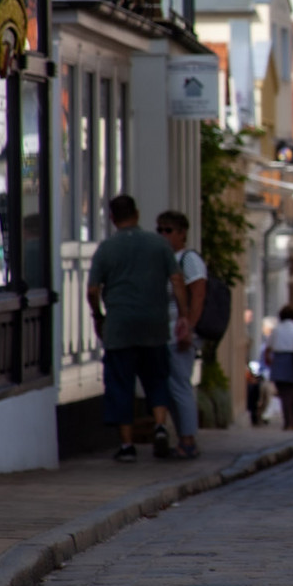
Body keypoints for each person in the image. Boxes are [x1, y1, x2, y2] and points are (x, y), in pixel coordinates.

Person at [88, 195, 190, 463]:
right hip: (154, 325)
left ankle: (127, 446)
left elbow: (92, 289)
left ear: (112, 217)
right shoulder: (159, 245)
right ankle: (159, 425)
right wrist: (183, 316)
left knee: (121, 384)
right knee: (156, 379)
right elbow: (177, 280)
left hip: (119, 327)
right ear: (137, 213)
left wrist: (97, 314)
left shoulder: (106, 249)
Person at [157, 210, 206, 460]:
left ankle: (188, 440)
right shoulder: (165, 258)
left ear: (182, 233)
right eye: (160, 230)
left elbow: (198, 294)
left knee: (180, 387)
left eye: (168, 230)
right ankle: (182, 438)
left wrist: (189, 326)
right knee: (171, 388)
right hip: (165, 332)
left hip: (181, 332)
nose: (163, 235)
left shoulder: (187, 259)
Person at [265, 306, 293, 431]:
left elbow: (268, 347)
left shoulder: (276, 329)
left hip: (279, 360)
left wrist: (268, 359)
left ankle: (288, 422)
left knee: (284, 394)